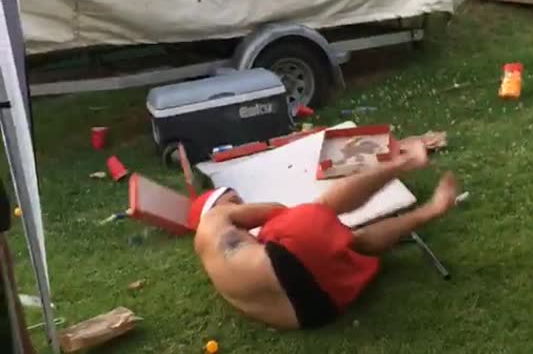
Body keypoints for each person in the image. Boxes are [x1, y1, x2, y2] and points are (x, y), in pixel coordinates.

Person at [192, 137, 459, 330]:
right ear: (217, 203)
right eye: (235, 199)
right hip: (284, 261)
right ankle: (404, 163)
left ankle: (430, 210)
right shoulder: (215, 217)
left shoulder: (215, 262)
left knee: (350, 243)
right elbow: (275, 210)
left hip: (314, 311)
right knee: (321, 208)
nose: (241, 202)